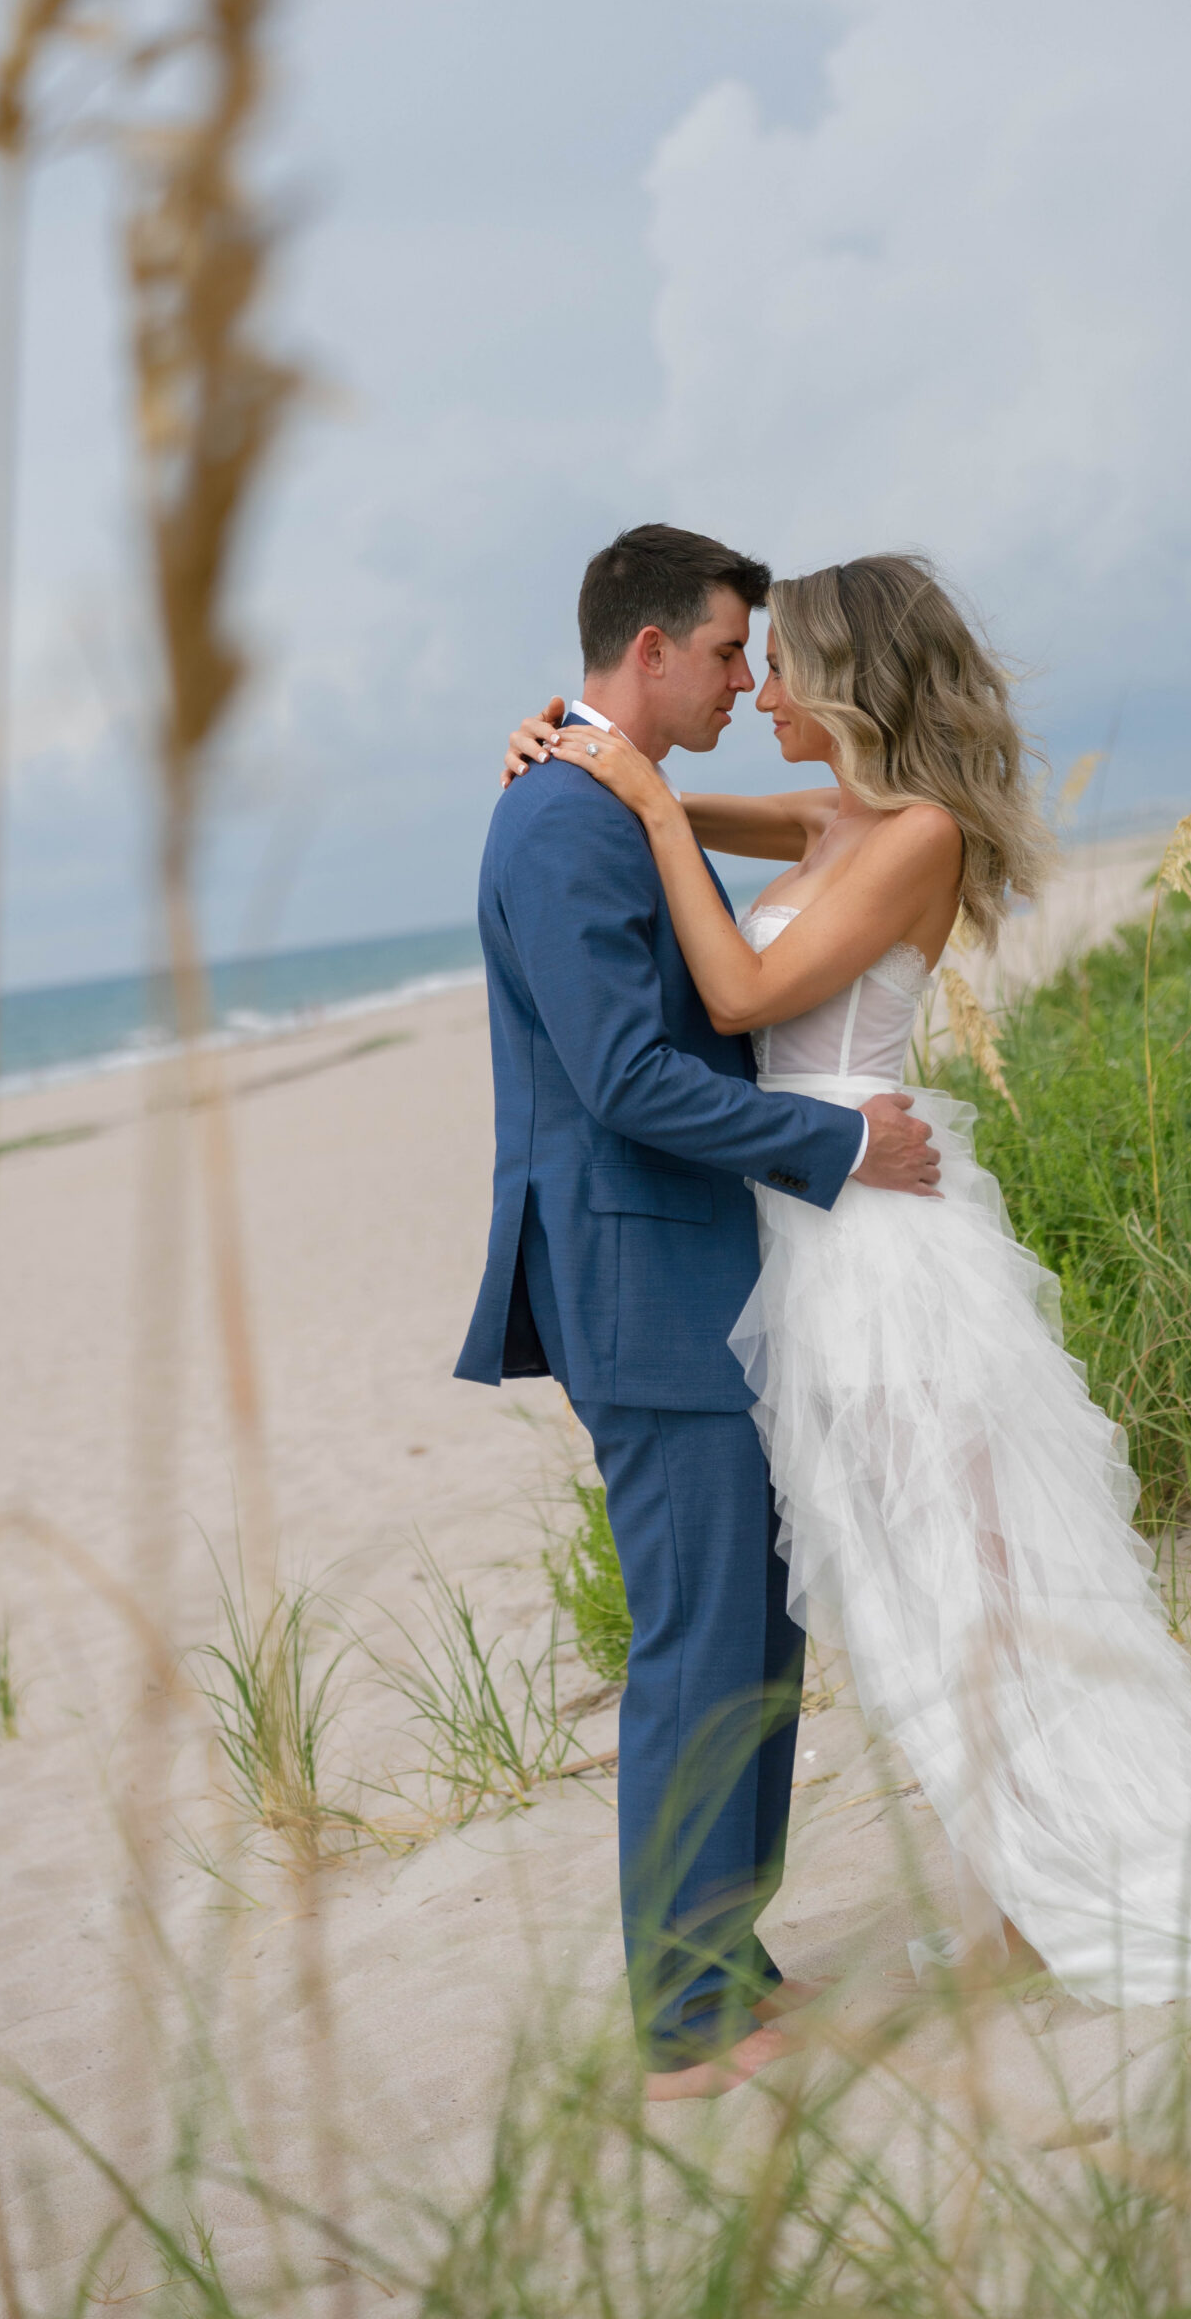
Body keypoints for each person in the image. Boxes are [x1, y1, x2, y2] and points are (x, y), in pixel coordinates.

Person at [505, 551, 1191, 2017]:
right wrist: (594, 756)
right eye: (741, 660)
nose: (758, 687)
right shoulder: (833, 815)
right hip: (809, 1235)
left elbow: (733, 998)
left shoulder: (914, 836)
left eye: (778, 666)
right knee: (911, 1594)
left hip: (879, 1238)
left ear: (846, 681)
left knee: (963, 1582)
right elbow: (686, 806)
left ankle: (1063, 1877)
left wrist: (641, 793)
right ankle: (1026, 1882)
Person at [456, 525, 942, 2102]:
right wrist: (836, 1142)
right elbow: (627, 1079)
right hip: (637, 1277)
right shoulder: (561, 826)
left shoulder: (611, 799)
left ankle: (726, 1955)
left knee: (757, 1630)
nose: (751, 677)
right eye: (733, 651)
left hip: (704, 1273)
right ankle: (681, 2021)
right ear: (650, 650)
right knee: (695, 1642)